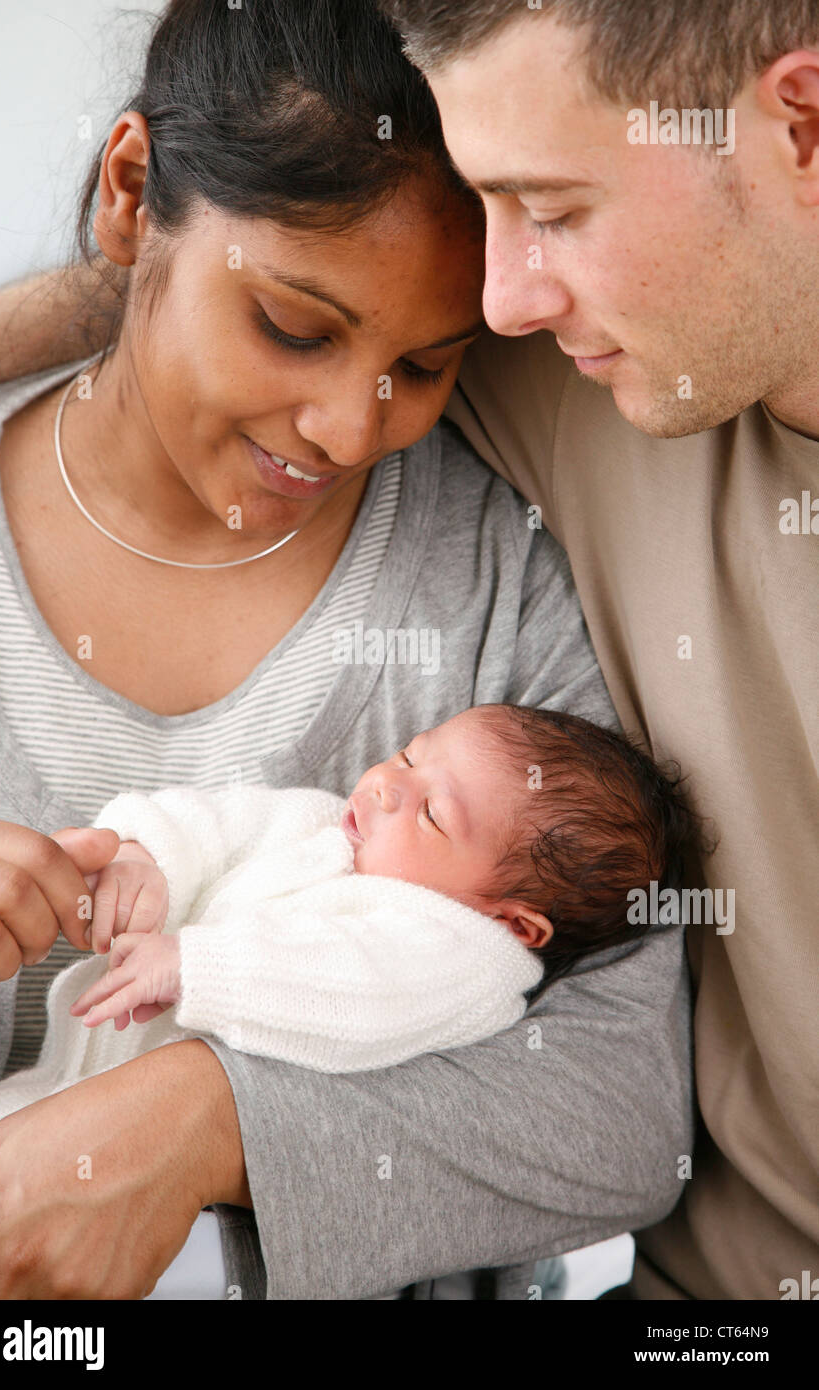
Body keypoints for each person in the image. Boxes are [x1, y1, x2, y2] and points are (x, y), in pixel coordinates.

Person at [0, 0, 691, 1300]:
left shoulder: (483, 573)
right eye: (297, 327)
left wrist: (210, 1118)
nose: (352, 427)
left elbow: (619, 1104)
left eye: (424, 364)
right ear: (132, 193)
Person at [379, 0, 819, 1300]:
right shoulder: (599, 369)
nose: (500, 297)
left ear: (799, 123)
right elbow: (202, 274)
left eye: (554, 209)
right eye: (483, 203)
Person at [0, 701, 700, 1149]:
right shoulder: (320, 824)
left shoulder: (468, 960)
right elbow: (219, 821)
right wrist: (149, 858)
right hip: (60, 1088)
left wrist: (194, 966)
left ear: (515, 921)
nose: (384, 784)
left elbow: (351, 984)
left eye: (433, 813)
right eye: (409, 754)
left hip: (199, 1179)